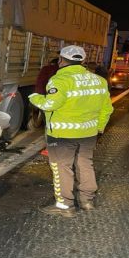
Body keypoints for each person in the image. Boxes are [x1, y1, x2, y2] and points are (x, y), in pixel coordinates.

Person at [28, 45, 114, 217]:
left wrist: (34, 97)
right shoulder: (99, 80)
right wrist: (99, 128)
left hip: (62, 134)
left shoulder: (60, 80)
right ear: (81, 61)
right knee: (85, 164)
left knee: (62, 168)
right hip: (89, 133)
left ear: (61, 60)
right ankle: (87, 200)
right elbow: (107, 109)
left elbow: (49, 104)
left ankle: (65, 206)